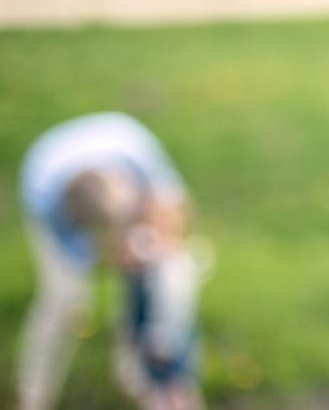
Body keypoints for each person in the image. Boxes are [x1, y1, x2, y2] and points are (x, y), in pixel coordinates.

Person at [16, 112, 205, 410]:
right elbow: (80, 256)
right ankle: (34, 395)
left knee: (168, 274)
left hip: (117, 158)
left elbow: (177, 207)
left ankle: (146, 377)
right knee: (65, 299)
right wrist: (111, 253)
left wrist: (156, 242)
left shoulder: (137, 153)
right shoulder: (46, 200)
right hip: (47, 174)